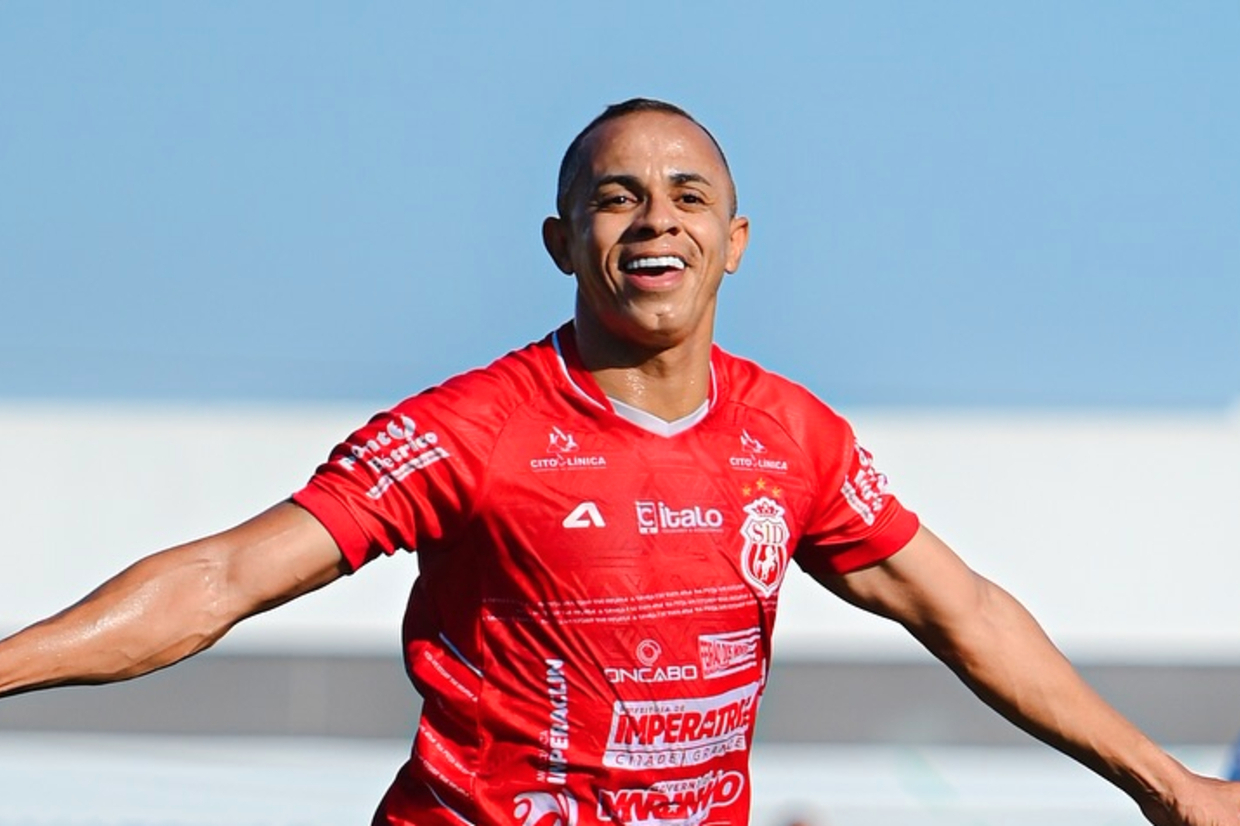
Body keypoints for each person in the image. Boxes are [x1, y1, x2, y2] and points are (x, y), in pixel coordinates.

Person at [0, 98, 1237, 826]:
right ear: (561, 240)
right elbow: (222, 576)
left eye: (688, 196)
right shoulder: (473, 428)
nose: (656, 219)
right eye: (616, 196)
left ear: (733, 241)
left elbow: (962, 610)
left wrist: (1165, 782)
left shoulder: (791, 436)